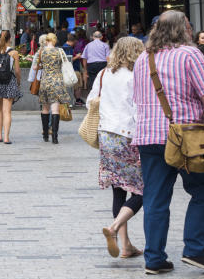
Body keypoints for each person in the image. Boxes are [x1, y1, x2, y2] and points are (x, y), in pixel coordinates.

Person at [131, 10, 204, 273]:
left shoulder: (143, 58)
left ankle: (154, 259)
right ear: (183, 29)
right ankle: (195, 249)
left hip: (148, 136)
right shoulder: (189, 54)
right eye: (189, 26)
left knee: (155, 199)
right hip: (185, 137)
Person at [87, 36, 145, 260]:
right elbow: (139, 109)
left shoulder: (103, 74)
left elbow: (93, 99)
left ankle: (125, 245)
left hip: (106, 135)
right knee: (143, 190)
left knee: (118, 189)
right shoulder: (135, 76)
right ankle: (114, 227)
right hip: (129, 135)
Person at [33, 33, 68, 144]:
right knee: (55, 110)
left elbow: (35, 67)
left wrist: (43, 65)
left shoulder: (41, 52)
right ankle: (55, 137)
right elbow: (65, 64)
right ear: (55, 41)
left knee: (45, 109)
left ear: (46, 40)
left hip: (45, 82)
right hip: (57, 82)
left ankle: (45, 135)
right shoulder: (60, 51)